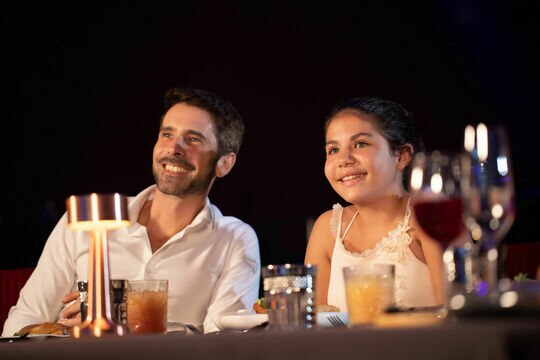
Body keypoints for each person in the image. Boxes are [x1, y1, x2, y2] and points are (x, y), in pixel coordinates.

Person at [2, 87, 260, 336]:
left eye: (193, 139)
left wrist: (118, 319)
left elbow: (226, 343)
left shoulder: (235, 239)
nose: (173, 149)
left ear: (224, 164)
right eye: (167, 134)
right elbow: (24, 321)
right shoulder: (83, 220)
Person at [305, 96, 444, 312]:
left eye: (360, 144)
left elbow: (459, 315)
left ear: (401, 156)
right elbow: (312, 323)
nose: (344, 159)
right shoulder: (327, 228)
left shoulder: (428, 215)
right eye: (333, 150)